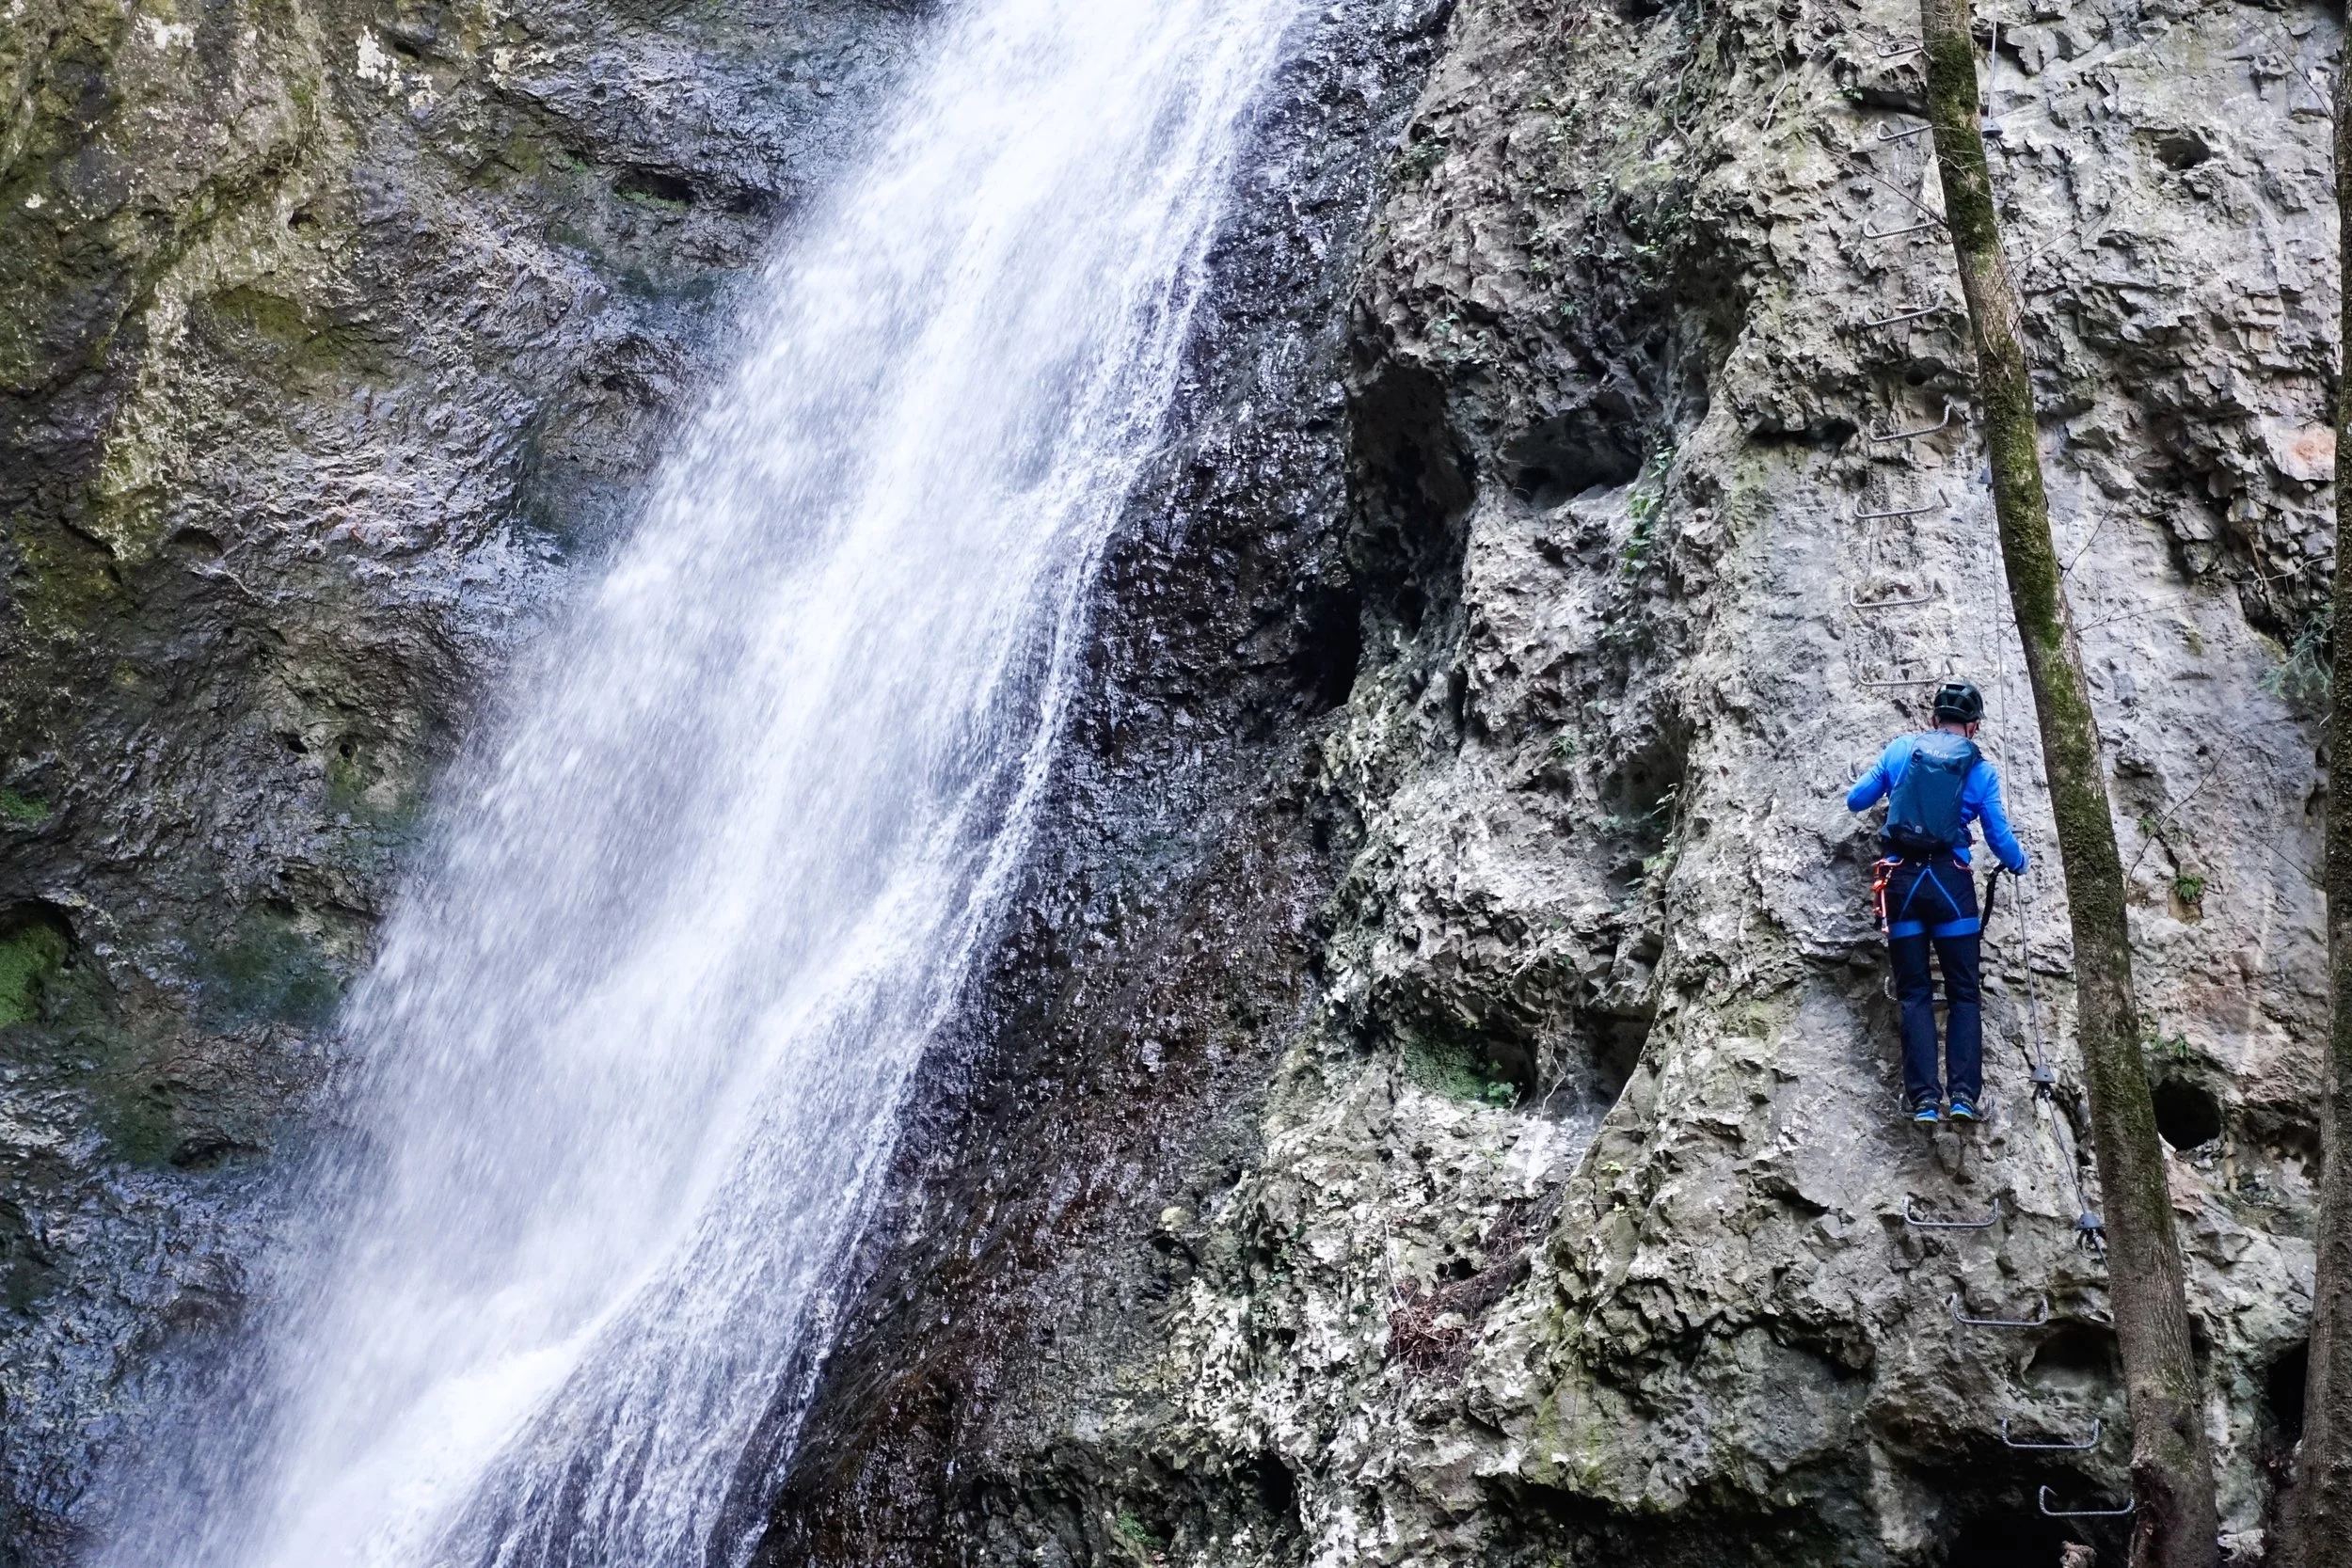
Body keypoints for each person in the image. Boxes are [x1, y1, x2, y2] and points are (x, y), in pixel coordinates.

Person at [1846, 680, 2028, 1124]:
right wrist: (2019, 862)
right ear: (1974, 727)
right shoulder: (1979, 770)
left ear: (1932, 720)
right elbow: (1999, 838)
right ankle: (1964, 1098)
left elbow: (1856, 801)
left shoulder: (1901, 750)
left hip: (1901, 883)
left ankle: (1924, 1101)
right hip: (1951, 883)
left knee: (1914, 994)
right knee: (1964, 994)